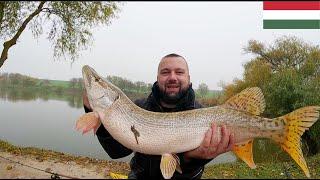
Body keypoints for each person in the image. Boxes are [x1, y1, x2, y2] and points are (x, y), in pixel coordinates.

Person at [83, 53, 235, 179]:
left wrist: (193, 159)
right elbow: (116, 152)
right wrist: (94, 113)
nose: (172, 77)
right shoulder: (139, 106)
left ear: (188, 78)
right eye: (165, 72)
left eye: (179, 72)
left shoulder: (202, 111)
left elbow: (189, 169)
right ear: (157, 77)